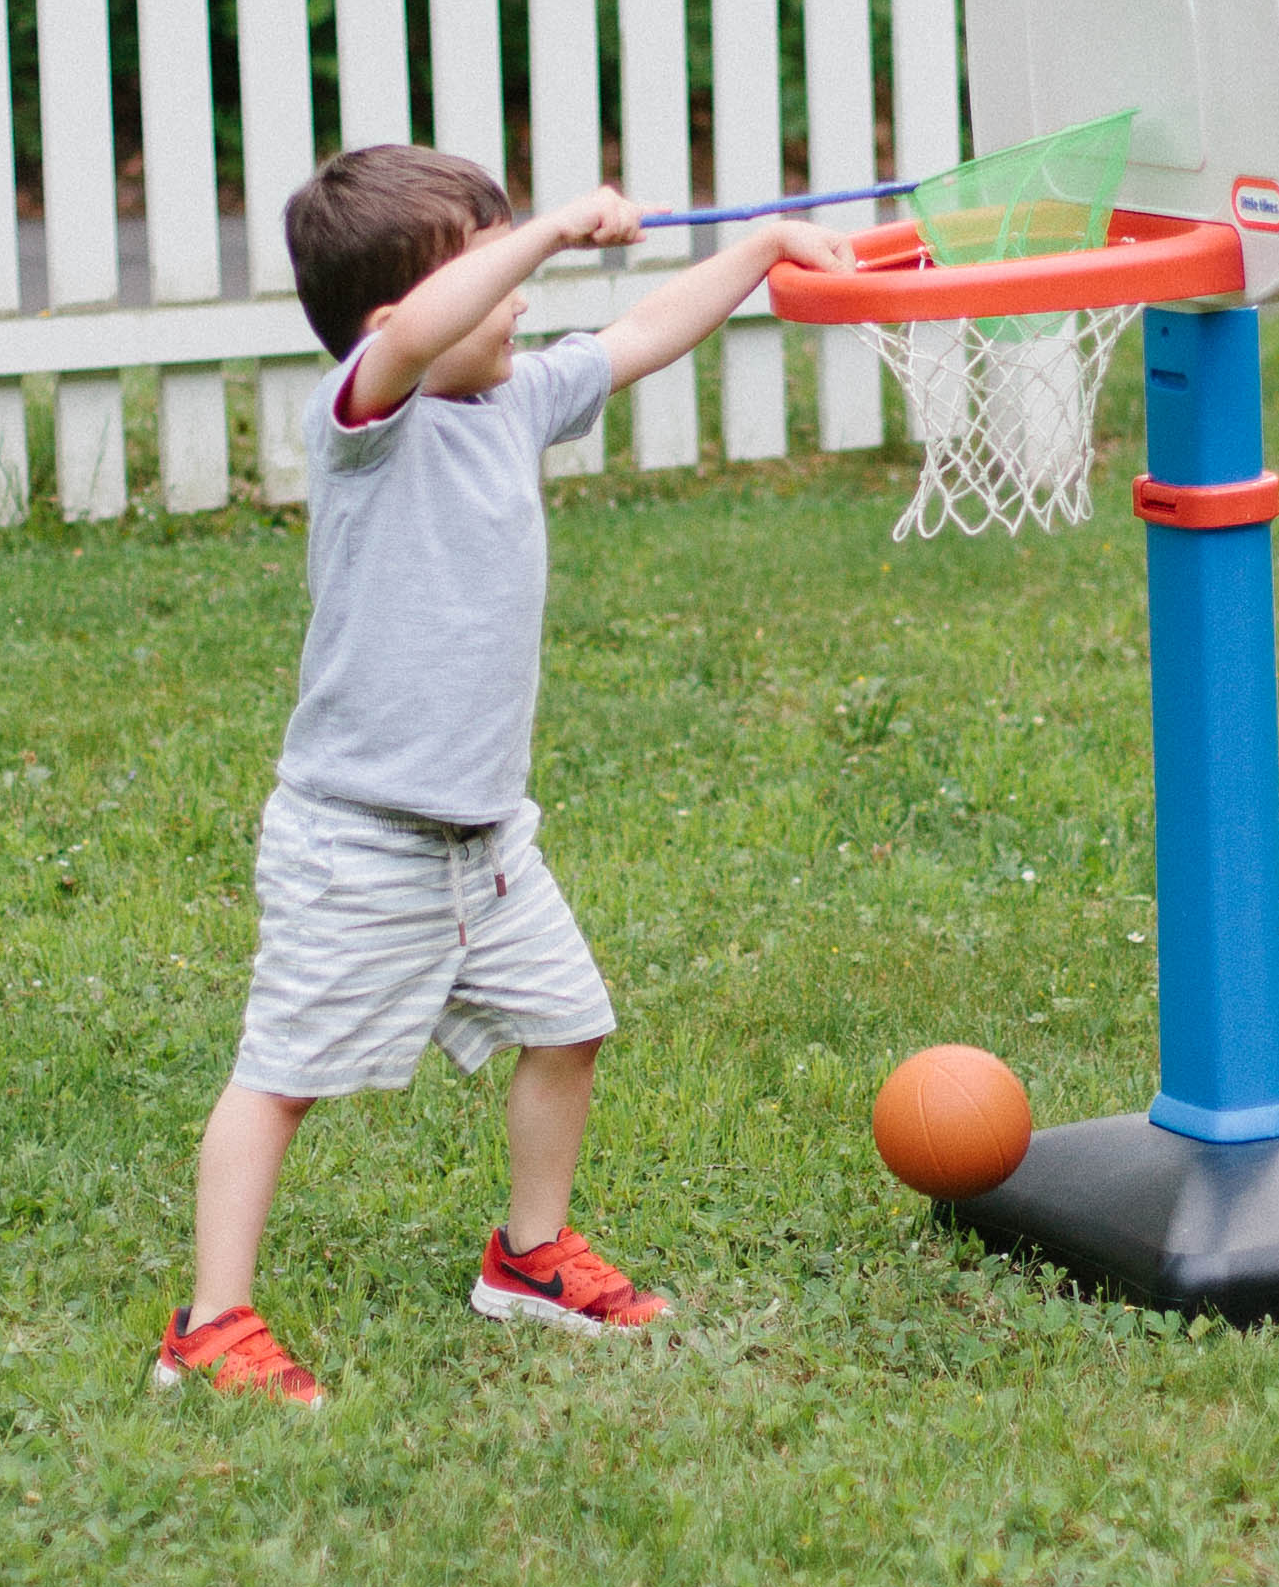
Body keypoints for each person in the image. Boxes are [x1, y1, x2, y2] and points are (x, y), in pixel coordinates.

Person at [153, 142, 847, 1408]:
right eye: (490, 270)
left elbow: (638, 337)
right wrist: (550, 232)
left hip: (485, 840)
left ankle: (529, 1259)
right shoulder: (368, 417)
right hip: (357, 840)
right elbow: (423, 327)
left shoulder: (511, 403)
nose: (519, 299)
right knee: (283, 1078)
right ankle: (210, 1326)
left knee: (570, 1026)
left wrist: (761, 251)